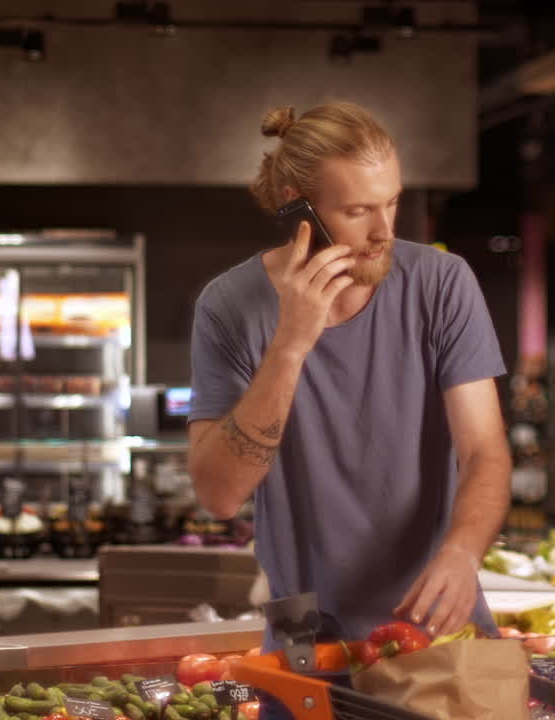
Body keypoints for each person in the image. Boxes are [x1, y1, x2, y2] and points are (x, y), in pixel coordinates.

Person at [187, 101, 511, 646]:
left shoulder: (441, 283)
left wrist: (461, 551)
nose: (384, 230)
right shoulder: (228, 307)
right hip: (304, 637)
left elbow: (485, 451)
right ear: (298, 209)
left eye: (392, 203)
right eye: (359, 210)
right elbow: (220, 495)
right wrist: (290, 342)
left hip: (435, 633)